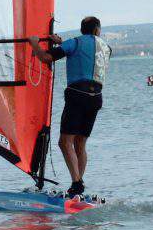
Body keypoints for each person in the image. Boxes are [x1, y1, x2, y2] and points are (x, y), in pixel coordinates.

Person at [34, 16, 108, 198]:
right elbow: (86, 51)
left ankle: (77, 183)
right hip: (96, 97)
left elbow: (46, 58)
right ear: (98, 31)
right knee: (80, 143)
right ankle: (78, 186)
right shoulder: (106, 47)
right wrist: (62, 43)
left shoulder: (74, 43)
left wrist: (34, 43)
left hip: (77, 96)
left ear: (82, 29)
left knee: (64, 142)